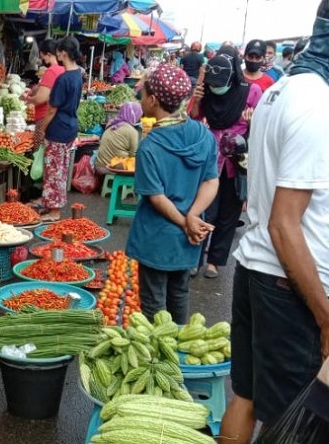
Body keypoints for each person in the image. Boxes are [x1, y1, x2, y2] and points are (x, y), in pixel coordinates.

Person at [220, 2, 329, 441]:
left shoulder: (280, 90)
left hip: (255, 268)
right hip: (290, 286)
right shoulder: (317, 105)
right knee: (292, 421)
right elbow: (286, 225)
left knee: (245, 396)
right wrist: (325, 318)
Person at [126, 64, 218, 324]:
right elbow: (211, 181)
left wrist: (184, 220)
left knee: (153, 303)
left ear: (153, 100)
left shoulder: (150, 146)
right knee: (179, 293)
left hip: (157, 237)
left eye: (142, 94)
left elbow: (156, 197)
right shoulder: (203, 135)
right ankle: (177, 354)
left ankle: (157, 358)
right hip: (188, 238)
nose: (141, 99)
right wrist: (193, 216)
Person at [189, 47, 262, 279]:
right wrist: (198, 98)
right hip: (210, 160)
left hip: (237, 163)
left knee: (228, 214)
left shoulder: (251, 91)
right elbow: (195, 117)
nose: (216, 87)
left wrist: (254, 121)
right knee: (204, 211)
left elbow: (261, 126)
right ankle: (195, 259)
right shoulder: (209, 87)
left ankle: (214, 262)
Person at [37, 37, 83, 222]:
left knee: (53, 171)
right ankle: (52, 205)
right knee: (60, 170)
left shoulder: (63, 78)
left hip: (58, 128)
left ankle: (54, 211)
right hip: (70, 126)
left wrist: (42, 129)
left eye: (59, 50)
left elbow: (52, 109)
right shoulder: (77, 75)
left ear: (63, 52)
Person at [24, 39, 65, 150]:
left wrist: (27, 98)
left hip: (44, 118)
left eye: (43, 56)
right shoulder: (63, 70)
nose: (42, 59)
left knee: (40, 153)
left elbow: (40, 99)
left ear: (48, 54)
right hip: (57, 119)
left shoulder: (51, 71)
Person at [95, 102, 142, 175]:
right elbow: (133, 155)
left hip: (99, 166)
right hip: (111, 168)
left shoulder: (111, 124)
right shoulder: (132, 131)